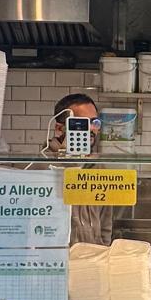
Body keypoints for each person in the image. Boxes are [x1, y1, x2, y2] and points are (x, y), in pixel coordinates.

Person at [48, 92, 118, 246]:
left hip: (92, 262)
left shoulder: (99, 168)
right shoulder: (41, 167)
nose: (91, 129)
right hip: (58, 263)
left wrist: (103, 254)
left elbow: (105, 226)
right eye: (81, 123)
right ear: (59, 128)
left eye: (94, 122)